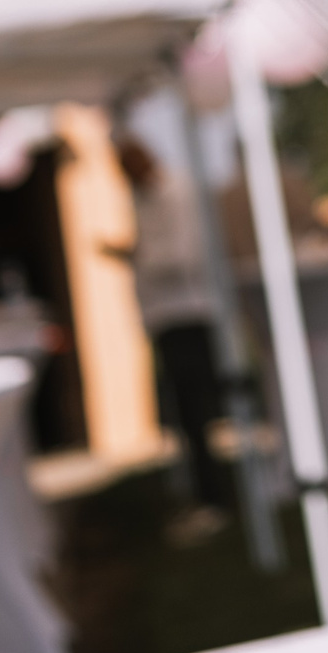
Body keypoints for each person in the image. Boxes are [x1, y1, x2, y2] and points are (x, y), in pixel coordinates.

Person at [114, 107, 232, 542]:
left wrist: (135, 256)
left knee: (197, 410)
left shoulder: (175, 193)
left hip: (188, 313)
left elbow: (183, 257)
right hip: (167, 317)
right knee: (184, 414)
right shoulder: (145, 199)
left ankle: (214, 499)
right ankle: (206, 494)